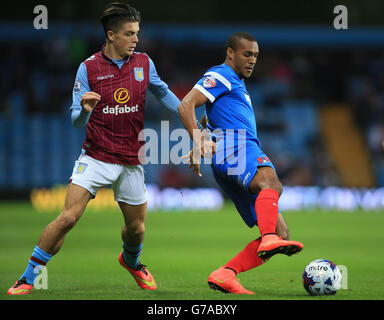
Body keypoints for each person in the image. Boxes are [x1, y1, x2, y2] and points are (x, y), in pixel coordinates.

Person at [7, 2, 180, 295]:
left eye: (137, 33)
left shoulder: (144, 63)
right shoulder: (88, 68)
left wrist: (187, 112)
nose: (136, 39)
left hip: (131, 160)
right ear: (111, 35)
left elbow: (163, 92)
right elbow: (76, 121)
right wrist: (85, 110)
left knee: (136, 230)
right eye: (129, 34)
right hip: (96, 156)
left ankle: (131, 260)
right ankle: (27, 276)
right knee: (67, 218)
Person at [178, 32, 303, 295]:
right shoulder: (221, 75)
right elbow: (186, 105)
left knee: (282, 233)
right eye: (247, 54)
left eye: (256, 55)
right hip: (235, 147)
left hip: (229, 154)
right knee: (270, 182)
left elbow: (206, 117)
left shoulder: (234, 84)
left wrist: (198, 141)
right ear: (230, 53)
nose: (252, 60)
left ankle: (226, 274)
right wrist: (198, 140)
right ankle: (267, 238)